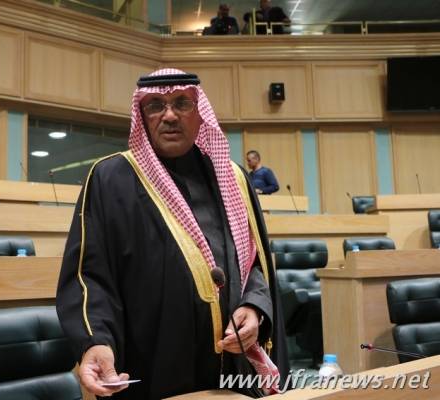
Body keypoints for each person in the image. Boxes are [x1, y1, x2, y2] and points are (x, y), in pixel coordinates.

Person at [56, 68, 289, 399]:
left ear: (199, 112)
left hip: (233, 372)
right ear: (142, 114)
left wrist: (254, 306)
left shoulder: (232, 178)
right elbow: (89, 276)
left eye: (182, 103)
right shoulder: (111, 179)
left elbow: (253, 261)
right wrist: (96, 341)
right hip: (153, 367)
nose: (169, 115)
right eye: (155, 105)